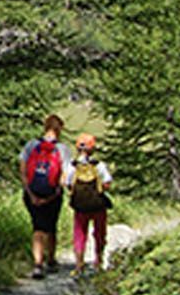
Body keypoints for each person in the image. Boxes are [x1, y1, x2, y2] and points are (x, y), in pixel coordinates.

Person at [20, 114, 70, 279]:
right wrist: (54, 194)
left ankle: (37, 264)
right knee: (50, 226)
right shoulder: (62, 149)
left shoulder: (31, 145)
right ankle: (51, 260)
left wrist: (30, 193)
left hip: (32, 193)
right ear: (59, 129)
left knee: (37, 227)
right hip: (52, 195)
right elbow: (65, 176)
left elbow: (23, 171)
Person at [66, 132, 114, 275]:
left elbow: (67, 184)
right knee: (99, 233)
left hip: (80, 207)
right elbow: (107, 183)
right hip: (98, 206)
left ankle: (79, 264)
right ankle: (98, 262)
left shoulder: (73, 166)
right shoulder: (98, 165)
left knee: (80, 233)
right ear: (92, 149)